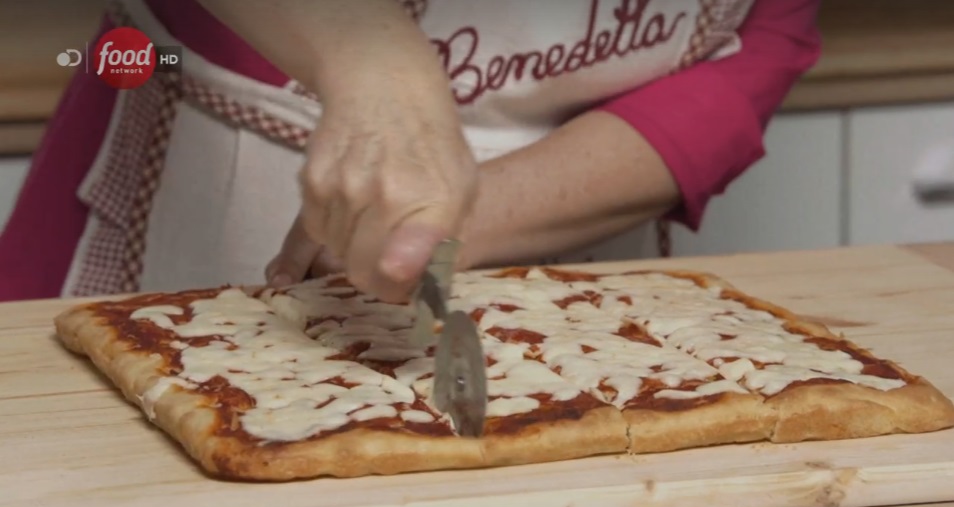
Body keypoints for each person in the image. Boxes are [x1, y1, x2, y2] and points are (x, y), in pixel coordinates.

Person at [0, 0, 821, 304]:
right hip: (192, 193)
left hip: (577, 256)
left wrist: (461, 214)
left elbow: (764, 38)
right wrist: (371, 58)